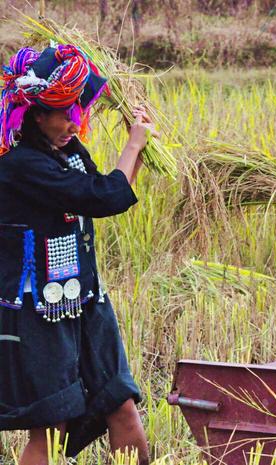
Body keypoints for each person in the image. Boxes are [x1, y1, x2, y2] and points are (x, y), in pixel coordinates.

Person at [0, 45, 155, 463]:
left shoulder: (66, 151)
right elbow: (100, 195)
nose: (74, 122)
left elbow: (110, 192)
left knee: (121, 404)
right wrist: (133, 146)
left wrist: (136, 146)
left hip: (86, 301)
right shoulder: (20, 165)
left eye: (77, 110)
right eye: (64, 113)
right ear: (35, 115)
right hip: (40, 312)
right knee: (52, 425)